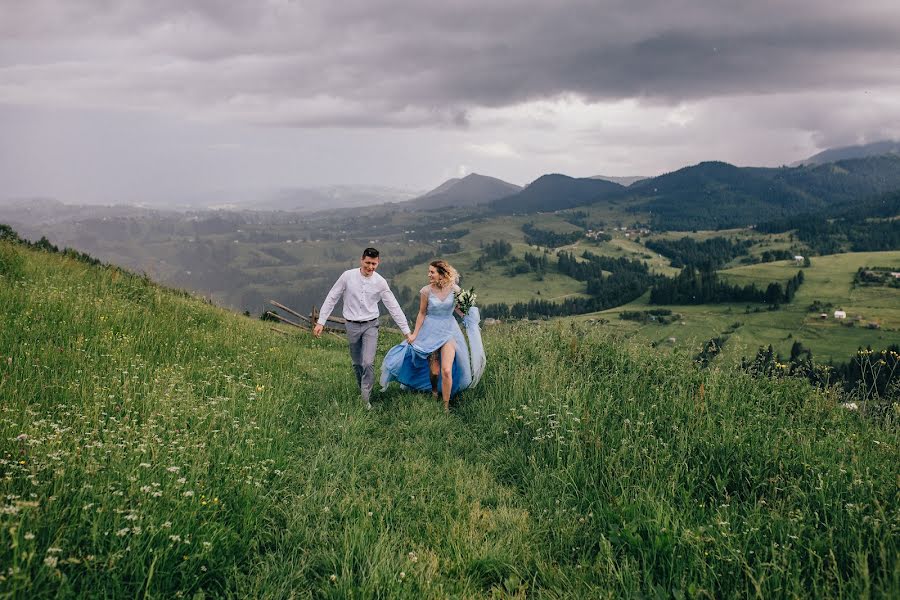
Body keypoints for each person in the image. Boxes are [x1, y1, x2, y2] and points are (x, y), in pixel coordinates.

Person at [314, 247, 414, 409]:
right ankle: (362, 386)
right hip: (351, 325)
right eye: (368, 263)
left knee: (368, 362)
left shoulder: (380, 282)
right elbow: (333, 296)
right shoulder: (347, 276)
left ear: (378, 262)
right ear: (362, 260)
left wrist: (406, 331)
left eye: (374, 264)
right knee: (357, 363)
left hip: (370, 325)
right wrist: (321, 321)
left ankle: (365, 399)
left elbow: (393, 306)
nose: (370, 267)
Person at [380, 259, 485, 411]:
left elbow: (458, 310)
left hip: (449, 332)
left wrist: (469, 313)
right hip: (430, 332)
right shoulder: (426, 291)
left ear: (441, 274)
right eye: (429, 272)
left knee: (447, 370)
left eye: (432, 272)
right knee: (434, 371)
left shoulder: (454, 289)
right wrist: (414, 334)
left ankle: (446, 405)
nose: (429, 275)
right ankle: (434, 391)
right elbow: (422, 313)